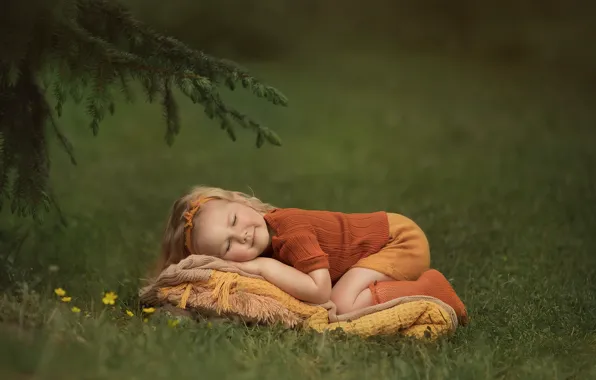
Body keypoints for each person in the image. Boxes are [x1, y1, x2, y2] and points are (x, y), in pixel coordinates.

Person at [157, 185, 468, 324]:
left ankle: (431, 289)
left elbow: (318, 292)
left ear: (242, 201)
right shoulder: (267, 240)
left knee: (341, 304)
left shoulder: (289, 230)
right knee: (343, 297)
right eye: (227, 247)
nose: (242, 234)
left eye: (234, 221)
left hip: (398, 240)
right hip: (381, 245)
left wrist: (263, 267)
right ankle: (383, 289)